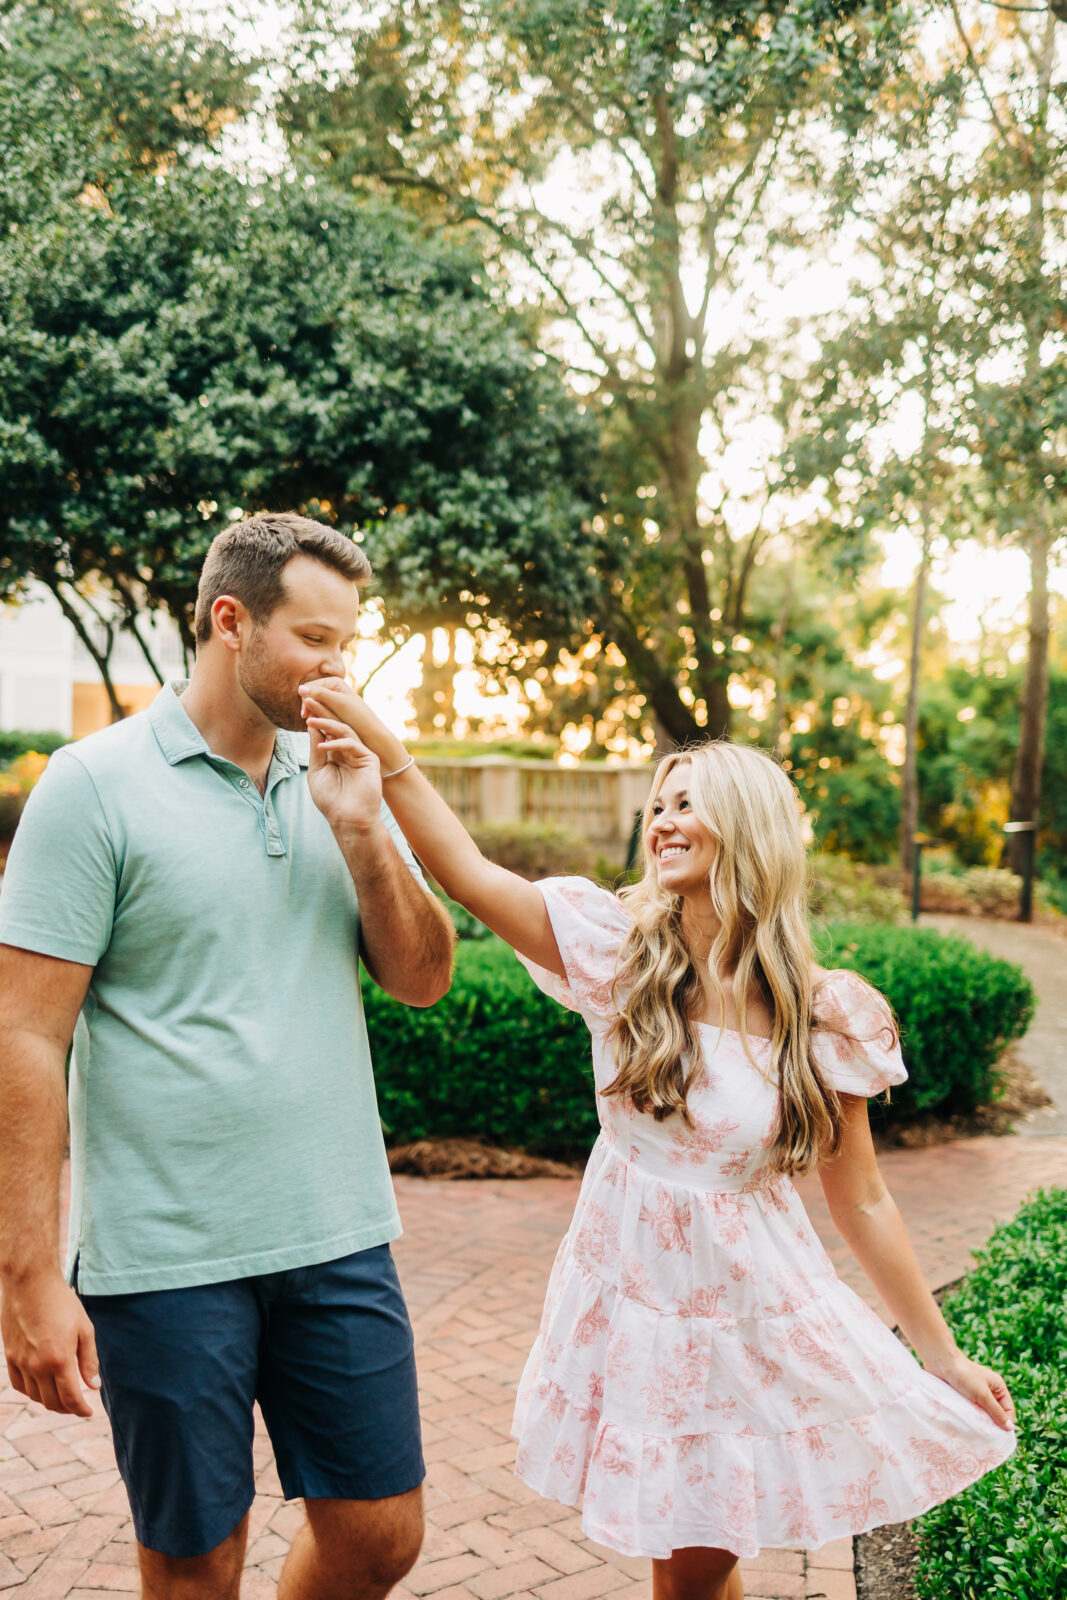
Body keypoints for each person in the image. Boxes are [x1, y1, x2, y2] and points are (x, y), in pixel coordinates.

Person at [294, 678, 1016, 1600]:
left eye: (688, 805)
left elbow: (861, 1195)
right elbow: (470, 873)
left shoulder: (825, 1013)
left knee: (694, 1564)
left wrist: (942, 1355)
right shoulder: (617, 956)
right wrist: (384, 753)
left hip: (750, 1315)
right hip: (634, 1306)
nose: (663, 822)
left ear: (745, 830)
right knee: (687, 1562)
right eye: (657, 806)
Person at [0, 514, 456, 1600]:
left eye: (348, 642)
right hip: (167, 1255)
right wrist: (24, 1271)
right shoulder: (93, 784)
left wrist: (361, 832)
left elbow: (424, 974)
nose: (338, 668)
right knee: (198, 1559)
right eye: (315, 639)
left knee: (381, 1532)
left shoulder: (339, 776)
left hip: (337, 1232)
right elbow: (25, 1031)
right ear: (229, 621)